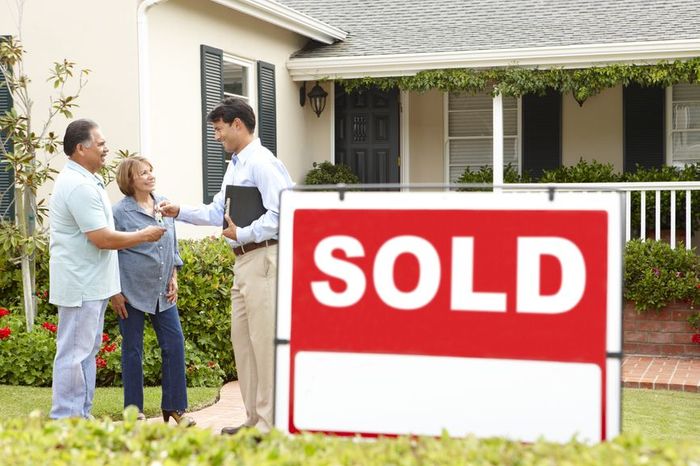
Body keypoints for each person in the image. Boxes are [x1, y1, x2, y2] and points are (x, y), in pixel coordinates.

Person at [159, 97, 293, 434]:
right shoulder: (236, 165)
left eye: (219, 130)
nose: (216, 136)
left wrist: (244, 231)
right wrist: (181, 211)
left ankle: (269, 424)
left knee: (264, 344)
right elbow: (217, 211)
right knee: (244, 344)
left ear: (237, 125)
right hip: (244, 262)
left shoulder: (262, 162)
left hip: (264, 258)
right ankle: (253, 418)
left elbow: (285, 210)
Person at [49, 119, 166, 419]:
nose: (105, 149)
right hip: (80, 286)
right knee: (74, 355)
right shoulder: (77, 185)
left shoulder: (88, 180)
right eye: (100, 144)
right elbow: (101, 238)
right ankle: (66, 419)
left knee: (86, 353)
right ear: (80, 148)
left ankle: (80, 416)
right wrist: (143, 235)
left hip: (92, 285)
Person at [110, 156, 195, 426]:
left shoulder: (164, 204)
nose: (150, 176)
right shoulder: (120, 213)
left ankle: (175, 408)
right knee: (132, 350)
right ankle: (134, 413)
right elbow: (110, 253)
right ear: (130, 180)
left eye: (150, 171)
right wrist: (114, 291)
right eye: (143, 173)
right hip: (131, 292)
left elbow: (173, 244)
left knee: (174, 344)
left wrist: (174, 276)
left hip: (163, 291)